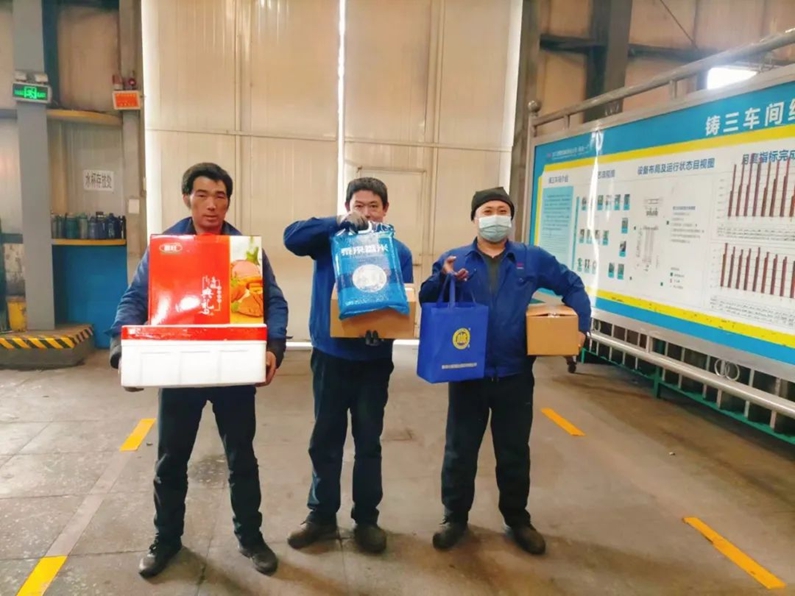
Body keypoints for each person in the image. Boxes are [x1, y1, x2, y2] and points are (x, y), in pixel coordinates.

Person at [108, 162, 288, 577]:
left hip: (234, 368)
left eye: (220, 196)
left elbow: (274, 301)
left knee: (242, 458)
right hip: (180, 369)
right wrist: (122, 348)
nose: (211, 205)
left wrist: (273, 347)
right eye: (203, 195)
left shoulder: (244, 251)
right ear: (186, 197)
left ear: (228, 202)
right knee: (171, 460)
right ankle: (166, 539)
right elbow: (136, 298)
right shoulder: (167, 248)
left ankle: (250, 537)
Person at [418, 186, 590, 555]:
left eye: (501, 210)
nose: (495, 217)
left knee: (513, 452)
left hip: (515, 373)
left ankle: (517, 519)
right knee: (460, 451)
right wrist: (442, 278)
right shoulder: (455, 258)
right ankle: (454, 517)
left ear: (510, 217)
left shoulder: (531, 258)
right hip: (467, 373)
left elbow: (572, 285)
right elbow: (427, 298)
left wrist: (581, 327)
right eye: (487, 211)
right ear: (475, 218)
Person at [282, 177, 413, 554]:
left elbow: (402, 305)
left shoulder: (398, 251)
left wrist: (382, 331)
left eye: (374, 206)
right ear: (347, 207)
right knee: (325, 440)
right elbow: (292, 238)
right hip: (330, 357)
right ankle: (321, 515)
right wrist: (336, 222)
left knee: (368, 443)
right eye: (359, 206)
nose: (366, 213)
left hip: (373, 363)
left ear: (385, 210)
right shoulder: (330, 242)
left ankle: (366, 520)